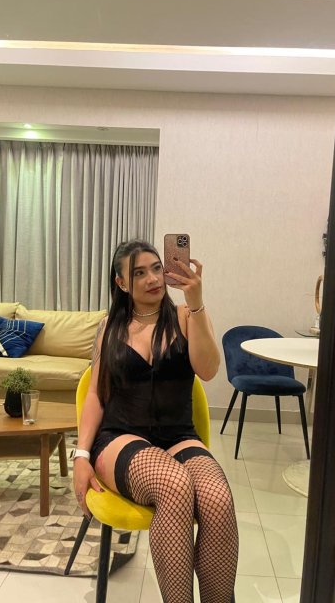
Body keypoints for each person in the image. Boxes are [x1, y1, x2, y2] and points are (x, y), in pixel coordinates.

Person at [73, 239, 238, 603]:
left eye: (156, 268)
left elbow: (209, 370)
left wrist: (196, 304)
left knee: (218, 499)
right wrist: (81, 455)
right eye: (139, 273)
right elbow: (96, 394)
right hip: (120, 437)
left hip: (178, 435)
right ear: (121, 283)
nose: (152, 279)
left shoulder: (187, 316)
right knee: (173, 483)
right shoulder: (109, 327)